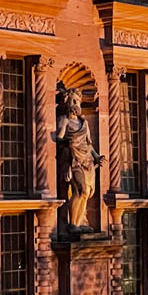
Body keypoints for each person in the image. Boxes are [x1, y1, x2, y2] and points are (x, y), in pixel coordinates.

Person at [55, 84, 101, 230]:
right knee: (80, 190)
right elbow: (58, 138)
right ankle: (73, 224)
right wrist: (66, 142)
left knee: (87, 193)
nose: (76, 104)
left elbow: (88, 144)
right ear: (67, 102)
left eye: (78, 101)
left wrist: (97, 156)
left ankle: (80, 222)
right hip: (74, 160)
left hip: (87, 160)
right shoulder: (64, 120)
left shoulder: (84, 122)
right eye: (73, 101)